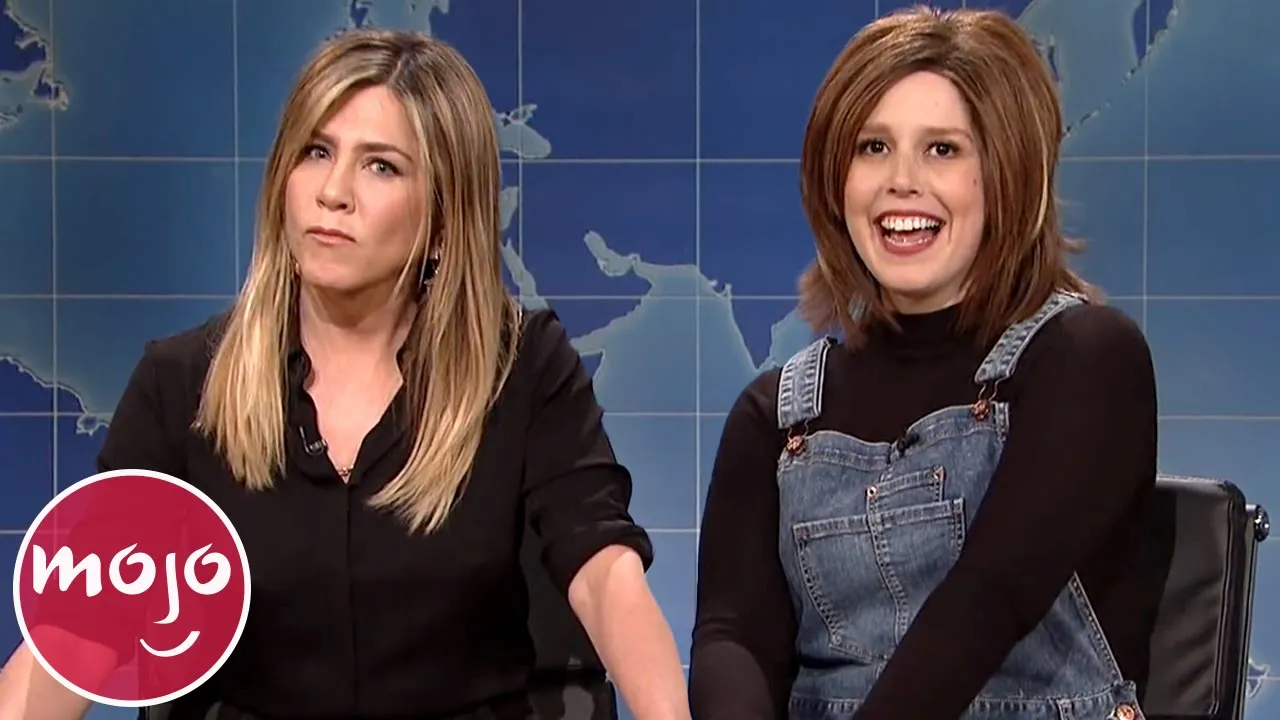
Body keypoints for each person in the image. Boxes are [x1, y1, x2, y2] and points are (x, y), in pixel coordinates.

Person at [0, 28, 690, 720]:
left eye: (380, 166)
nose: (333, 192)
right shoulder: (181, 386)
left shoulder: (522, 370)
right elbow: (82, 628)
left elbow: (603, 573)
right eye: (316, 152)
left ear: (444, 218)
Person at [689, 6, 1161, 720]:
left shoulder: (1088, 360)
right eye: (872, 147)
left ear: (1007, 173)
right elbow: (735, 638)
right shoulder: (776, 417)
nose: (901, 181)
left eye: (942, 149)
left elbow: (989, 600)